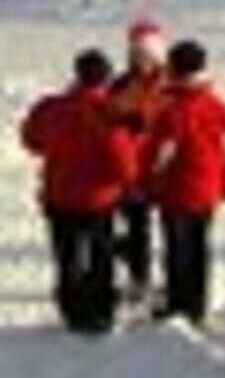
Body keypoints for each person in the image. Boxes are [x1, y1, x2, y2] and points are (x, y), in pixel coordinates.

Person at [20, 46, 140, 334]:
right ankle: (99, 309)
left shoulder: (52, 108)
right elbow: (122, 161)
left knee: (67, 255)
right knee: (100, 255)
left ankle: (72, 308)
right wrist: (128, 182)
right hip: (98, 199)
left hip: (58, 194)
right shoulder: (108, 114)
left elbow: (31, 139)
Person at [146, 37, 225, 331]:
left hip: (177, 190)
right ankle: (197, 303)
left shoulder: (173, 110)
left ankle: (178, 304)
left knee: (177, 249)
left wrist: (149, 181)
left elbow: (162, 152)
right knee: (200, 246)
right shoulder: (218, 106)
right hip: (208, 189)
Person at [107, 19, 173, 311]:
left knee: (174, 229)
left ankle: (171, 280)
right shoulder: (121, 84)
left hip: (164, 166)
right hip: (131, 167)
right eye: (136, 55)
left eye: (147, 56)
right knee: (136, 226)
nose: (141, 62)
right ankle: (139, 277)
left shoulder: (169, 85)